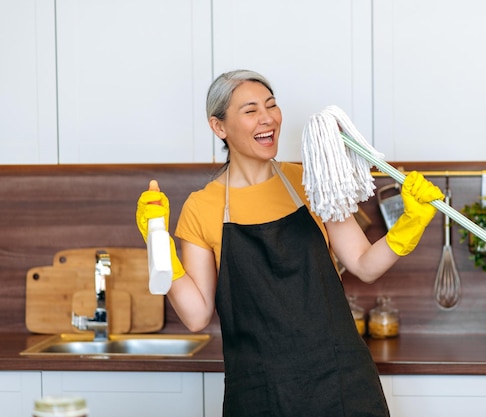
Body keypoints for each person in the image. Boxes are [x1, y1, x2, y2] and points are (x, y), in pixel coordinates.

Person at [136, 69, 444, 417]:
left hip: (340, 379)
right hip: (258, 390)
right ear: (219, 127)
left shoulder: (311, 181)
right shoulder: (201, 208)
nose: (267, 118)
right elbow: (195, 315)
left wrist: (409, 224)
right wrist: (156, 238)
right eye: (250, 110)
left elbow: (363, 264)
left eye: (271, 105)